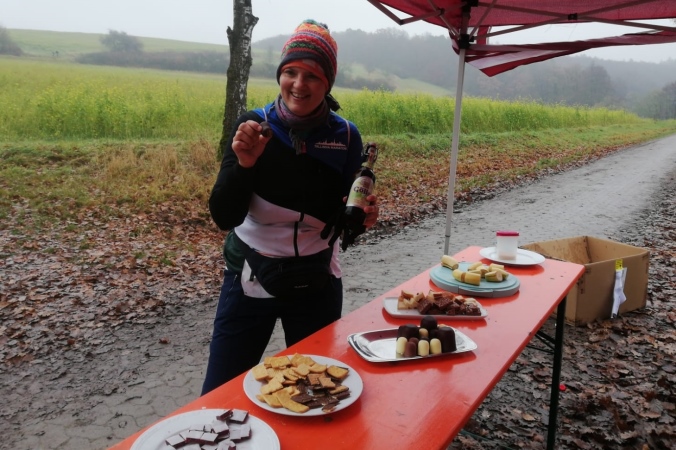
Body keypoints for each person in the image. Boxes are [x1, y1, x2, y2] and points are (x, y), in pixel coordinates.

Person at [202, 19, 379, 394]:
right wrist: (245, 165)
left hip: (316, 280)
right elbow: (223, 215)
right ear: (280, 75)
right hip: (250, 273)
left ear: (328, 83)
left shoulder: (346, 136)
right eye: (291, 72)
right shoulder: (255, 125)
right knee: (221, 392)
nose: (299, 84)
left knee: (318, 391)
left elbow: (346, 215)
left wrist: (362, 219)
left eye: (312, 76)